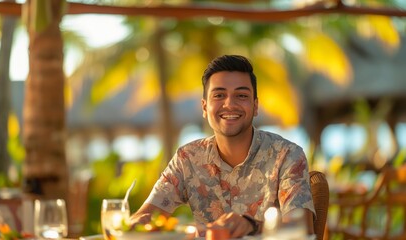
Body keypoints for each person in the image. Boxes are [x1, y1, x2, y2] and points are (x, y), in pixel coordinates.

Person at [130, 55, 315, 238]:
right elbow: (146, 216)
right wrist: (133, 225)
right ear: (204, 107)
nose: (229, 104)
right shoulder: (187, 158)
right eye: (219, 95)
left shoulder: (287, 155)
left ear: (255, 106)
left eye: (241, 95)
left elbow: (302, 228)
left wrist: (252, 226)